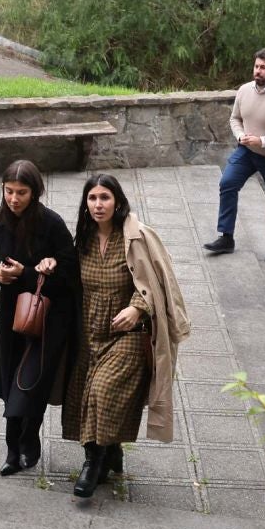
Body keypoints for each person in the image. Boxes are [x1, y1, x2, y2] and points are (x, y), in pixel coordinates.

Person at [62, 174, 189, 499]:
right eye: (92, 198)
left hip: (128, 333)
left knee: (102, 392)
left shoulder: (137, 238)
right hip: (90, 332)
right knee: (82, 395)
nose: (98, 204)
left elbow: (157, 284)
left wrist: (137, 308)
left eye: (105, 197)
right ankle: (111, 448)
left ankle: (93, 463)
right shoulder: (84, 238)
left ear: (117, 201)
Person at [0, 160, 80, 475]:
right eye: (9, 191)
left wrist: (30, 273)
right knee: (9, 377)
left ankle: (28, 439)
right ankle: (13, 447)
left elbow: (69, 276)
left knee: (31, 382)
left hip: (46, 317)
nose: (14, 199)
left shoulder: (51, 224)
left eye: (21, 192)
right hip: (11, 314)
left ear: (35, 192)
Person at [204, 48, 265, 262]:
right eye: (256, 66)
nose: (258, 71)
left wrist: (262, 141)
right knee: (227, 183)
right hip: (246, 150)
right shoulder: (244, 90)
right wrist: (240, 136)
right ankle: (226, 237)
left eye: (264, 67)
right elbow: (234, 118)